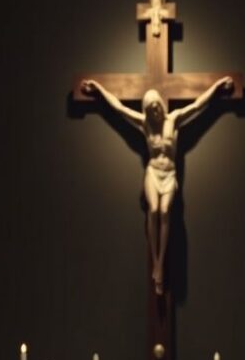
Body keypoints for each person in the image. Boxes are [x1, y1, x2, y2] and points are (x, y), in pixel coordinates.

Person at [81, 76, 233, 295]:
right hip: (153, 172)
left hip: (169, 174)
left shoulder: (174, 119)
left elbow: (199, 104)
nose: (155, 112)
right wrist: (98, 89)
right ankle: (156, 262)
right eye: (150, 109)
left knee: (164, 212)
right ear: (147, 110)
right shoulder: (145, 124)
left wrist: (217, 87)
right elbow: (119, 108)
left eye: (156, 107)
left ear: (161, 105)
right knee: (152, 210)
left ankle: (161, 261)